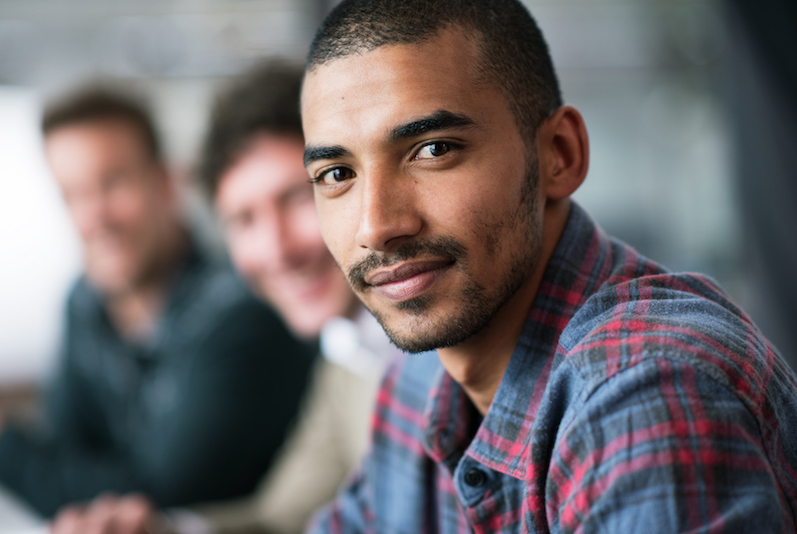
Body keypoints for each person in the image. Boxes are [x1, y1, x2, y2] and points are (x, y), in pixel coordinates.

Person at [298, 0, 797, 532]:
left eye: (433, 148)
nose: (374, 226)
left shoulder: (645, 396)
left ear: (559, 154)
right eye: (335, 174)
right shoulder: (418, 379)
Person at [50, 62, 399, 534]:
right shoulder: (346, 351)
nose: (277, 251)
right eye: (244, 220)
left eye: (297, 198)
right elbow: (283, 517)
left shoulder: (435, 335)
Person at [0, 84, 314, 518]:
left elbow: (161, 497)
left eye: (113, 183)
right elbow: (65, 452)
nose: (94, 217)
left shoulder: (245, 312)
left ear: (166, 184)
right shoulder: (84, 302)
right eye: (73, 195)